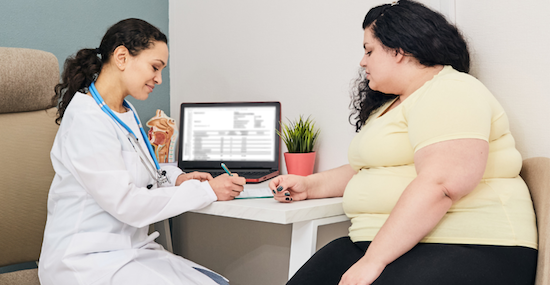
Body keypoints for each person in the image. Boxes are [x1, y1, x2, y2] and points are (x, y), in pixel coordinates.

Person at [270, 1, 538, 284]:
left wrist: (374, 260)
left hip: (468, 243)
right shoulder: (390, 106)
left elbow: (442, 184)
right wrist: (309, 186)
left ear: (399, 50)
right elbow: (368, 170)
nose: (363, 62)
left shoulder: (452, 89)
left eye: (369, 50)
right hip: (382, 242)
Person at [38, 18, 246, 285]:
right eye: (155, 67)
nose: (159, 79)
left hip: (127, 251)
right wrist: (207, 191)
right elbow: (127, 203)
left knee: (217, 282)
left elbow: (142, 172)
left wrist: (177, 179)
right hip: (84, 262)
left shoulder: (124, 111)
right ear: (122, 57)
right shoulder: (86, 119)